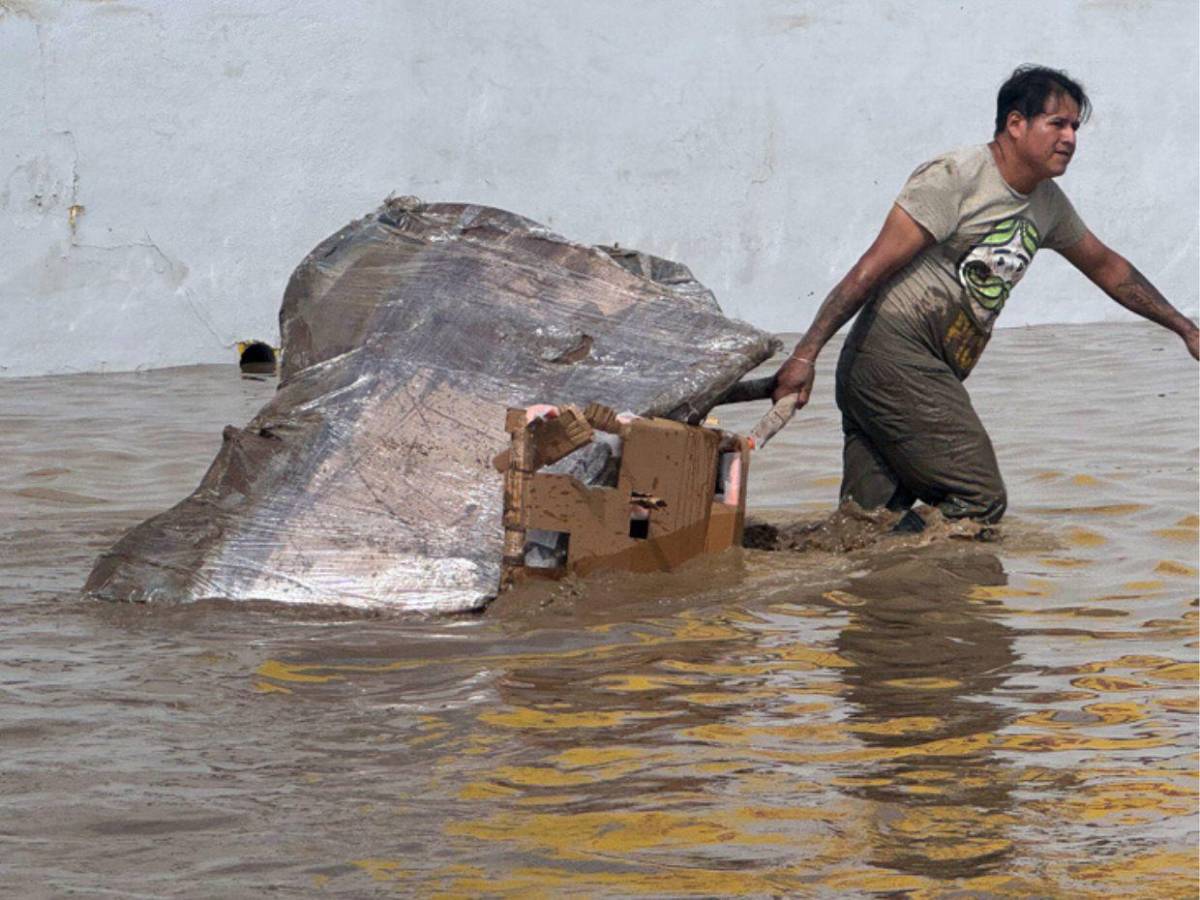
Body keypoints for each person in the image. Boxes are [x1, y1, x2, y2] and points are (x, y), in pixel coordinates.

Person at [772, 65, 1199, 531]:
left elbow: (1107, 267)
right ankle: (946, 592)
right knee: (977, 498)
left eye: (1076, 126)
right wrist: (804, 355)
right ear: (1016, 124)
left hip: (914, 371)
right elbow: (868, 270)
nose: (1071, 138)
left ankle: (872, 593)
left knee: (862, 529)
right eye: (1058, 123)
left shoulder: (1047, 203)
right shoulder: (957, 176)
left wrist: (1185, 328)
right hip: (894, 356)